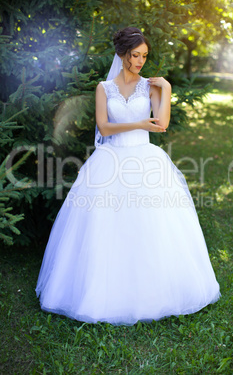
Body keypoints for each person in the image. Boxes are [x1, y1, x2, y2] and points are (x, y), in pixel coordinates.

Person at [36, 27, 220, 326]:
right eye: (135, 55)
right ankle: (102, 292)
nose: (140, 61)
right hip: (111, 159)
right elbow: (104, 128)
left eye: (144, 56)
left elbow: (160, 125)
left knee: (153, 224)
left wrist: (168, 90)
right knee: (105, 225)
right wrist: (137, 123)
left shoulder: (151, 85)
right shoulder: (104, 88)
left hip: (144, 159)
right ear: (122, 54)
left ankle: (154, 290)